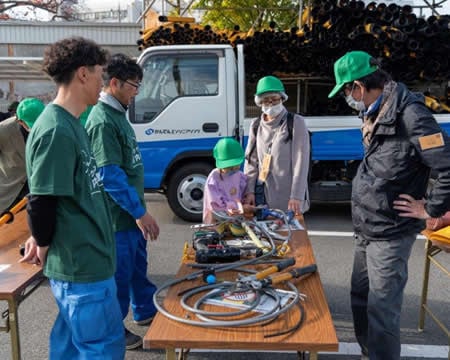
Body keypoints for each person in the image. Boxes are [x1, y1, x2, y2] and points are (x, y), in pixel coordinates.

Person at [328, 50, 450, 360]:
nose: (347, 97)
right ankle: (370, 353)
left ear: (359, 85)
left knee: (382, 313)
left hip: (391, 233)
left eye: (346, 90)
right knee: (360, 299)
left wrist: (431, 209)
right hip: (366, 228)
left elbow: (447, 165)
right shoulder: (373, 110)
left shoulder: (412, 115)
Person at [20, 37, 125, 359]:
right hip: (82, 267)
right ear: (83, 73)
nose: (102, 82)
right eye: (99, 73)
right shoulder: (55, 130)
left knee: (69, 348)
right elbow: (41, 199)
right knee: (100, 348)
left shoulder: (73, 123)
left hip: (88, 262)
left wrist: (41, 236)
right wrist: (42, 238)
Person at [85, 53, 160, 350]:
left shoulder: (118, 114)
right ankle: (114, 330)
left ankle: (145, 309)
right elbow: (109, 174)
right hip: (117, 218)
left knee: (137, 268)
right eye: (133, 85)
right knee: (118, 275)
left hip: (130, 213)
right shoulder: (102, 120)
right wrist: (140, 212)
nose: (136, 92)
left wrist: (139, 211)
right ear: (113, 83)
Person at [243, 75, 310, 215]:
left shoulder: (295, 122)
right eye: (266, 101)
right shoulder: (256, 125)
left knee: (291, 235)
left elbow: (301, 162)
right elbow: (251, 161)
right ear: (259, 103)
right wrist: (249, 191)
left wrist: (296, 196)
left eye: (275, 99)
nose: (271, 104)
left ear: (282, 99)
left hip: (290, 200)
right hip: (263, 197)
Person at [0, 98, 45, 213]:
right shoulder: (4, 130)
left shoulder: (49, 126)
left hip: (35, 193)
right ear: (19, 121)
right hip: (8, 194)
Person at [203, 137, 247, 225]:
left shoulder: (239, 175)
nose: (233, 170)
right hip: (218, 219)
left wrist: (245, 201)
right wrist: (235, 207)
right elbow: (215, 206)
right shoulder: (214, 178)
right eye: (229, 167)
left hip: (236, 217)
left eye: (236, 166)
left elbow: (244, 193)